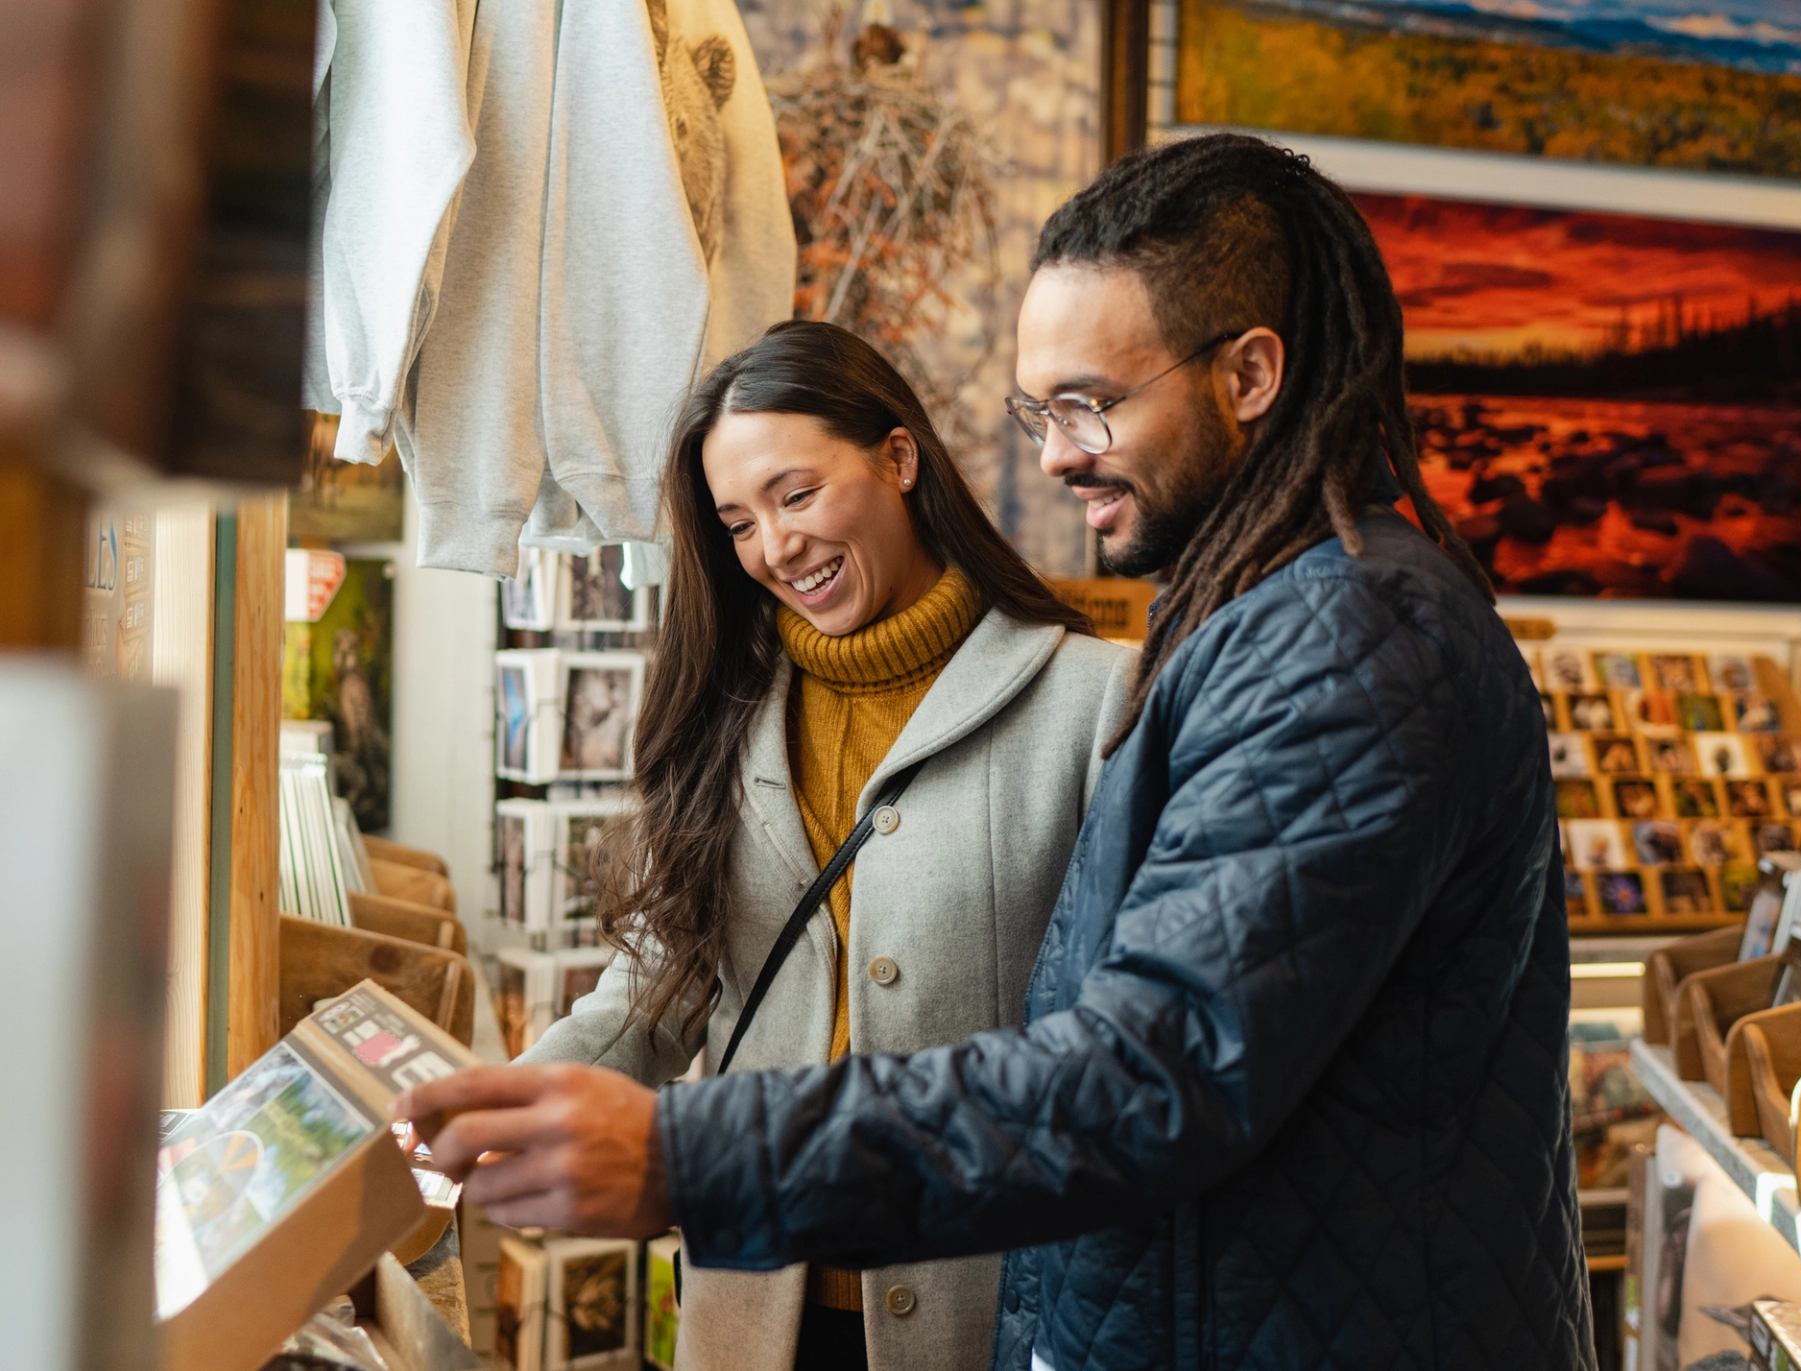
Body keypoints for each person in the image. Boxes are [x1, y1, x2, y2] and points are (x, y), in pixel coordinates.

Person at [403, 134, 1597, 1370]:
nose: (1057, 453)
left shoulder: (1344, 640)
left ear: (1247, 375)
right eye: (1040, 411)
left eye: (1091, 403)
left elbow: (1153, 1071)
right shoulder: (1259, 621)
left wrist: (687, 1154)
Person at [509, 319, 1133, 1371]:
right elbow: (657, 988)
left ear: (899, 459)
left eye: (796, 496)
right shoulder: (727, 717)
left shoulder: (1096, 701)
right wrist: (499, 1114)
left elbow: (1121, 1049)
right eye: (739, 522)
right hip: (753, 1313)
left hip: (991, 1317)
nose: (774, 547)